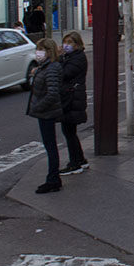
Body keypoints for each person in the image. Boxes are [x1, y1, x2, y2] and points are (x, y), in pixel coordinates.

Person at [27, 38, 65, 194]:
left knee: (51, 146)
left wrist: (37, 107)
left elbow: (52, 94)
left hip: (46, 113)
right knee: (49, 145)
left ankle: (53, 179)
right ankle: (53, 178)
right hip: (44, 112)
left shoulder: (51, 68)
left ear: (49, 51)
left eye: (41, 49)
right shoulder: (45, 67)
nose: (38, 52)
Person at [58, 32, 89, 175]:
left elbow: (64, 74)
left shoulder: (77, 58)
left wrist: (58, 59)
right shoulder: (72, 57)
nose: (66, 45)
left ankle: (74, 163)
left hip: (72, 98)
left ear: (77, 44)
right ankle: (80, 159)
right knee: (70, 131)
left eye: (70, 42)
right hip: (72, 97)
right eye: (65, 42)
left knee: (69, 131)